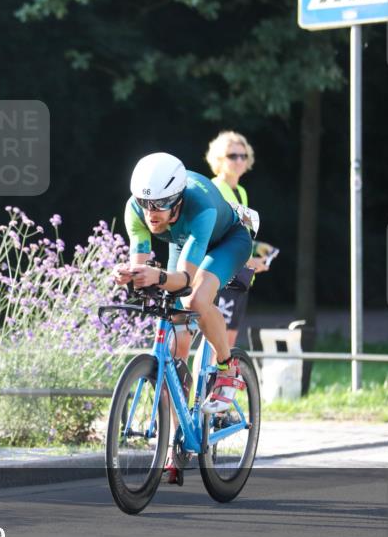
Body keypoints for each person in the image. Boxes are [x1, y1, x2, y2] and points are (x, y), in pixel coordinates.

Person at [113, 152, 252, 483]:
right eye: (145, 204)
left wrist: (157, 277)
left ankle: (226, 367)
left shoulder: (198, 206)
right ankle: (178, 442)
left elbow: (185, 280)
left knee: (195, 299)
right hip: (183, 240)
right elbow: (142, 260)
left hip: (226, 240)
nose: (151, 214)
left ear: (177, 200)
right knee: (174, 353)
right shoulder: (137, 208)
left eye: (160, 206)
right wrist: (131, 275)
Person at [205, 131, 270, 347]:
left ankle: (218, 381)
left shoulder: (240, 191)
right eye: (232, 156)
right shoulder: (216, 189)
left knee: (229, 340)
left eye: (243, 156)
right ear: (219, 159)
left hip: (240, 277)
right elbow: (221, 239)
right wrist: (251, 262)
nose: (239, 161)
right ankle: (204, 382)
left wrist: (257, 247)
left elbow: (237, 232)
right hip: (223, 273)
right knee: (215, 342)